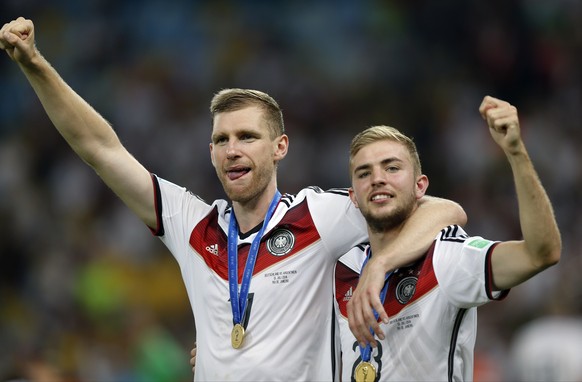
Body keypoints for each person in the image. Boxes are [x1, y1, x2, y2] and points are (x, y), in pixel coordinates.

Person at [0, 17, 467, 380]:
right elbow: (100, 149)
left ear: (279, 148)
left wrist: (380, 265)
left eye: (247, 136)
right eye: (222, 140)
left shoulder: (319, 216)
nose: (233, 149)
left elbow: (444, 210)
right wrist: (35, 65)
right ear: (210, 152)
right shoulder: (192, 225)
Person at [333, 96, 561, 381]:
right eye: (364, 173)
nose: (377, 178)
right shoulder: (340, 267)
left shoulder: (447, 257)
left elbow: (541, 253)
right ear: (352, 197)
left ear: (420, 187)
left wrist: (516, 153)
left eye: (392, 168)